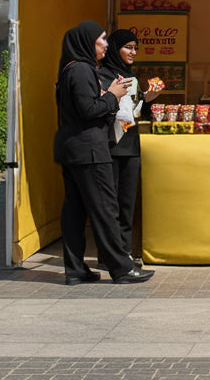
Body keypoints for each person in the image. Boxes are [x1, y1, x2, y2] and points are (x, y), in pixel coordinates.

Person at [54, 20, 154, 285]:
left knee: (75, 211)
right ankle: (121, 268)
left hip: (72, 148)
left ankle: (75, 270)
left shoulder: (70, 69)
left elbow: (81, 107)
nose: (106, 45)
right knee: (106, 208)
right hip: (89, 150)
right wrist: (112, 95)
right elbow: (90, 110)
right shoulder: (84, 70)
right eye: (101, 40)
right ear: (87, 43)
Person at [96, 27, 162, 268]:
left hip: (131, 146)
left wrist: (147, 97)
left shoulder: (130, 76)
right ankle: (108, 255)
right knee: (109, 203)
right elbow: (100, 109)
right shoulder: (102, 76)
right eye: (128, 47)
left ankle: (124, 253)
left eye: (135, 48)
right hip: (110, 147)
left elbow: (132, 112)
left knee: (127, 202)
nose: (133, 52)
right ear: (115, 48)